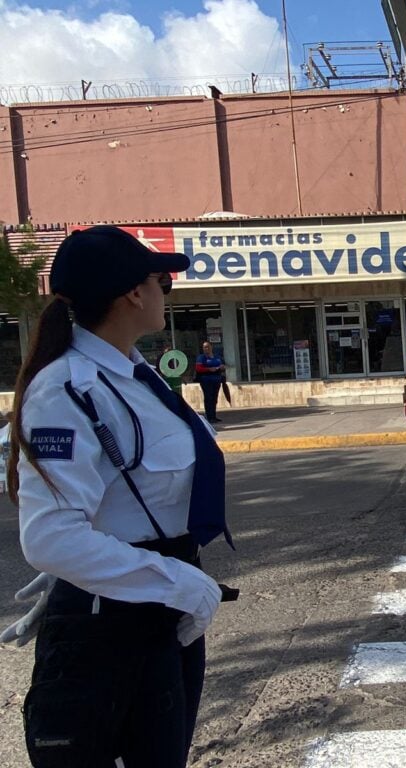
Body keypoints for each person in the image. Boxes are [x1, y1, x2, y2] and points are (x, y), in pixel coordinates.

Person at [3, 226, 231, 767]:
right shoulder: (67, 388)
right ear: (133, 292)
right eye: (162, 281)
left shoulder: (131, 372)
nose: (164, 291)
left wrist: (98, 563)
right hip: (116, 624)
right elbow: (49, 536)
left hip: (151, 605)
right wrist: (175, 582)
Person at [195, 340, 226, 423]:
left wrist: (222, 367)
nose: (206, 349)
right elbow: (198, 368)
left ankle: (214, 416)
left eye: (207, 347)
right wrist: (208, 369)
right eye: (204, 347)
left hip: (216, 380)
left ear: (211, 347)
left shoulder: (217, 357)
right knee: (208, 398)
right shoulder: (201, 357)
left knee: (214, 398)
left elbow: (222, 365)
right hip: (206, 380)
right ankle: (209, 417)